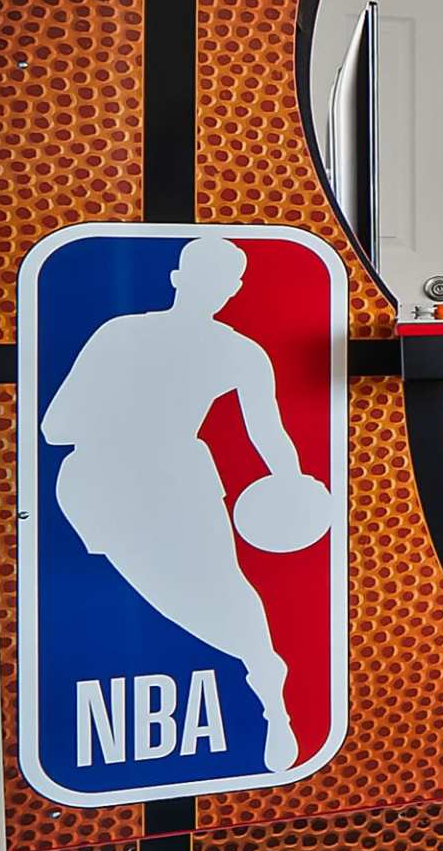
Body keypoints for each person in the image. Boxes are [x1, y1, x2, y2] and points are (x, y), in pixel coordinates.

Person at [43, 235, 327, 775]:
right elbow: (270, 439)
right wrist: (290, 483)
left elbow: (58, 426)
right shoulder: (232, 350)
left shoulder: (126, 334)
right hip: (125, 481)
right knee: (199, 594)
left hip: (125, 478)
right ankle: (266, 676)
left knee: (210, 590)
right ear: (230, 289)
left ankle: (269, 686)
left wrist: (292, 487)